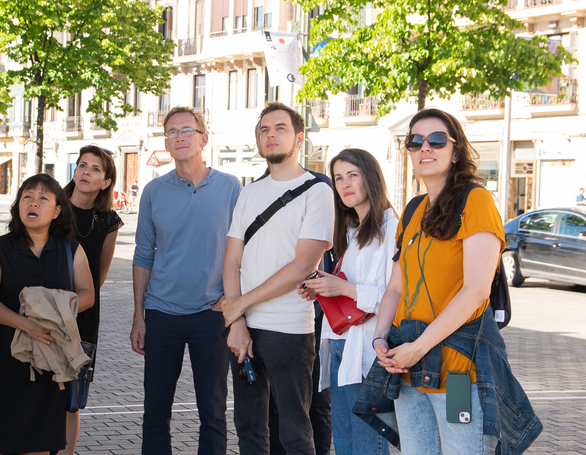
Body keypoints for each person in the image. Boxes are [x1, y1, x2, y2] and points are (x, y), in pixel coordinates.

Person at [365, 108, 540, 454]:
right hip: (407, 365)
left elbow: (476, 290)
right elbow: (396, 287)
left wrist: (418, 347)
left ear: (456, 150)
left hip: (458, 368)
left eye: (437, 140)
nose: (425, 148)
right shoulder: (414, 210)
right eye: (415, 141)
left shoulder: (476, 201)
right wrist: (379, 339)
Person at [220, 102, 334, 455]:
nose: (270, 134)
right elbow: (231, 260)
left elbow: (302, 266)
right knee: (250, 428)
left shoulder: (318, 192)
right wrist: (236, 320)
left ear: (299, 138)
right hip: (243, 328)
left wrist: (239, 303)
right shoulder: (248, 193)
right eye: (264, 129)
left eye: (280, 128)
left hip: (290, 331)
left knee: (295, 432)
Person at [131, 105, 242, 455]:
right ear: (166, 142)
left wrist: (234, 304)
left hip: (212, 315)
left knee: (212, 412)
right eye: (171, 132)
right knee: (155, 412)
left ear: (203, 139)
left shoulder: (230, 187)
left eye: (186, 131)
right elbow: (143, 255)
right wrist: (138, 314)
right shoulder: (153, 192)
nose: (178, 137)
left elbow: (242, 252)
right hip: (162, 313)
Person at [0, 173, 94, 454]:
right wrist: (27, 324)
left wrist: (55, 310)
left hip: (50, 366)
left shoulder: (70, 250)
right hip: (6, 361)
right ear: (18, 205)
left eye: (43, 198)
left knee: (39, 445)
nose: (33, 203)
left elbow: (88, 294)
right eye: (27, 196)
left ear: (57, 210)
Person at [298, 148, 396, 455]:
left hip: (368, 352)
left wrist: (344, 287)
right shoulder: (351, 229)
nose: (344, 184)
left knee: (367, 447)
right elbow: (349, 290)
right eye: (338, 177)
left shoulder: (392, 228)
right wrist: (325, 290)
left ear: (371, 179)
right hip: (339, 344)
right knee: (344, 444)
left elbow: (395, 298)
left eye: (353, 175)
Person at [61, 145, 123, 454]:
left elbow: (100, 275)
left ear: (106, 181)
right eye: (82, 165)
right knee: (39, 392)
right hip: (43, 312)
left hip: (83, 316)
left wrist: (79, 303)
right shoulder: (52, 206)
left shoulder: (109, 221)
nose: (86, 171)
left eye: (95, 169)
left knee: (73, 398)